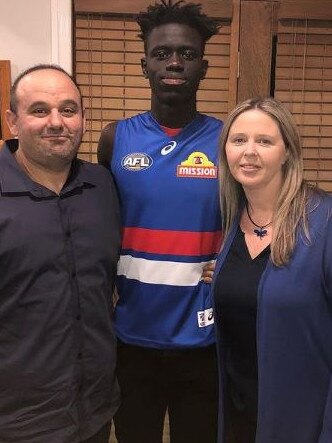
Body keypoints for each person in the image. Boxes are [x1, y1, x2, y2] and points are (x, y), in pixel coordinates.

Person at [98, 1, 223, 442]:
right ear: (144, 64)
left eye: (187, 55)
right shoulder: (115, 138)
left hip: (205, 345)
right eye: (162, 53)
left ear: (204, 68)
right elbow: (101, 222)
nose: (174, 62)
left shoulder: (228, 141)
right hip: (131, 341)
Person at [1, 64, 121, 443]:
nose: (56, 122)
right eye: (39, 110)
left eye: (68, 110)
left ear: (82, 118)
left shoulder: (103, 187)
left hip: (95, 413)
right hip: (17, 422)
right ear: (13, 122)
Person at [212, 96, 332, 443]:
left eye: (264, 141)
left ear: (288, 152)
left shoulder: (323, 223)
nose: (249, 152)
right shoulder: (232, 221)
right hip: (239, 418)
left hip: (302, 425)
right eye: (239, 140)